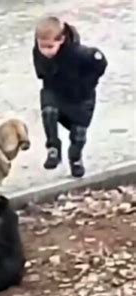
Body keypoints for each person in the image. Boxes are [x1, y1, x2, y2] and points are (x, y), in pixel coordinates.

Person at [32, 16, 107, 177]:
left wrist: (87, 84)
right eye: (42, 46)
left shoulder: (80, 53)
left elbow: (100, 63)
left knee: (78, 135)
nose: (45, 51)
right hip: (56, 92)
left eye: (50, 47)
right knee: (48, 110)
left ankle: (75, 159)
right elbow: (41, 73)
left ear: (62, 40)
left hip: (80, 98)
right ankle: (53, 148)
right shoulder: (38, 52)